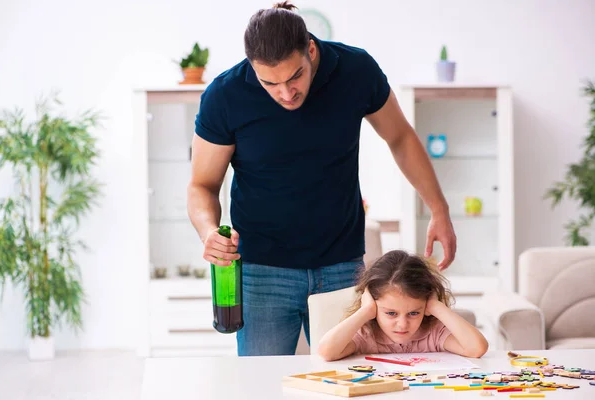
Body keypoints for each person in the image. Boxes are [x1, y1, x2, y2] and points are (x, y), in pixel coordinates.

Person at [187, 1, 457, 356]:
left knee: (351, 381)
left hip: (342, 268)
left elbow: (400, 137)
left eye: (295, 76)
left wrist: (439, 209)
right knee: (263, 387)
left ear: (311, 49)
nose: (285, 93)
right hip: (261, 270)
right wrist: (208, 231)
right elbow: (201, 186)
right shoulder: (225, 95)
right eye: (270, 83)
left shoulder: (356, 70)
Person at [317, 250, 488, 361]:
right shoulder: (367, 334)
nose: (402, 324)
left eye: (414, 313)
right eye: (391, 313)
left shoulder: (433, 332)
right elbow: (326, 352)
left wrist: (436, 306)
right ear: (374, 306)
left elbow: (476, 349)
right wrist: (366, 311)